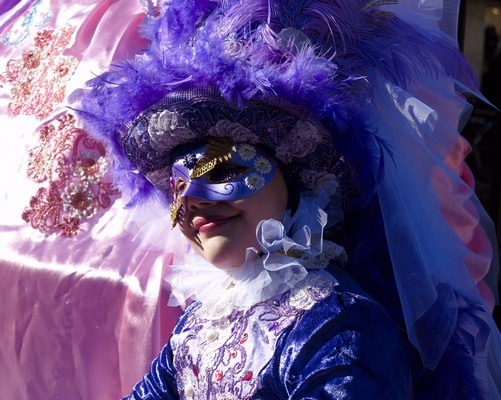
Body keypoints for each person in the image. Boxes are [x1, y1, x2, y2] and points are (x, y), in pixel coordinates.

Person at [75, 0, 501, 398]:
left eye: (224, 170)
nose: (194, 201)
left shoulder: (334, 325)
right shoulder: (203, 318)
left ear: (297, 176)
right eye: (178, 186)